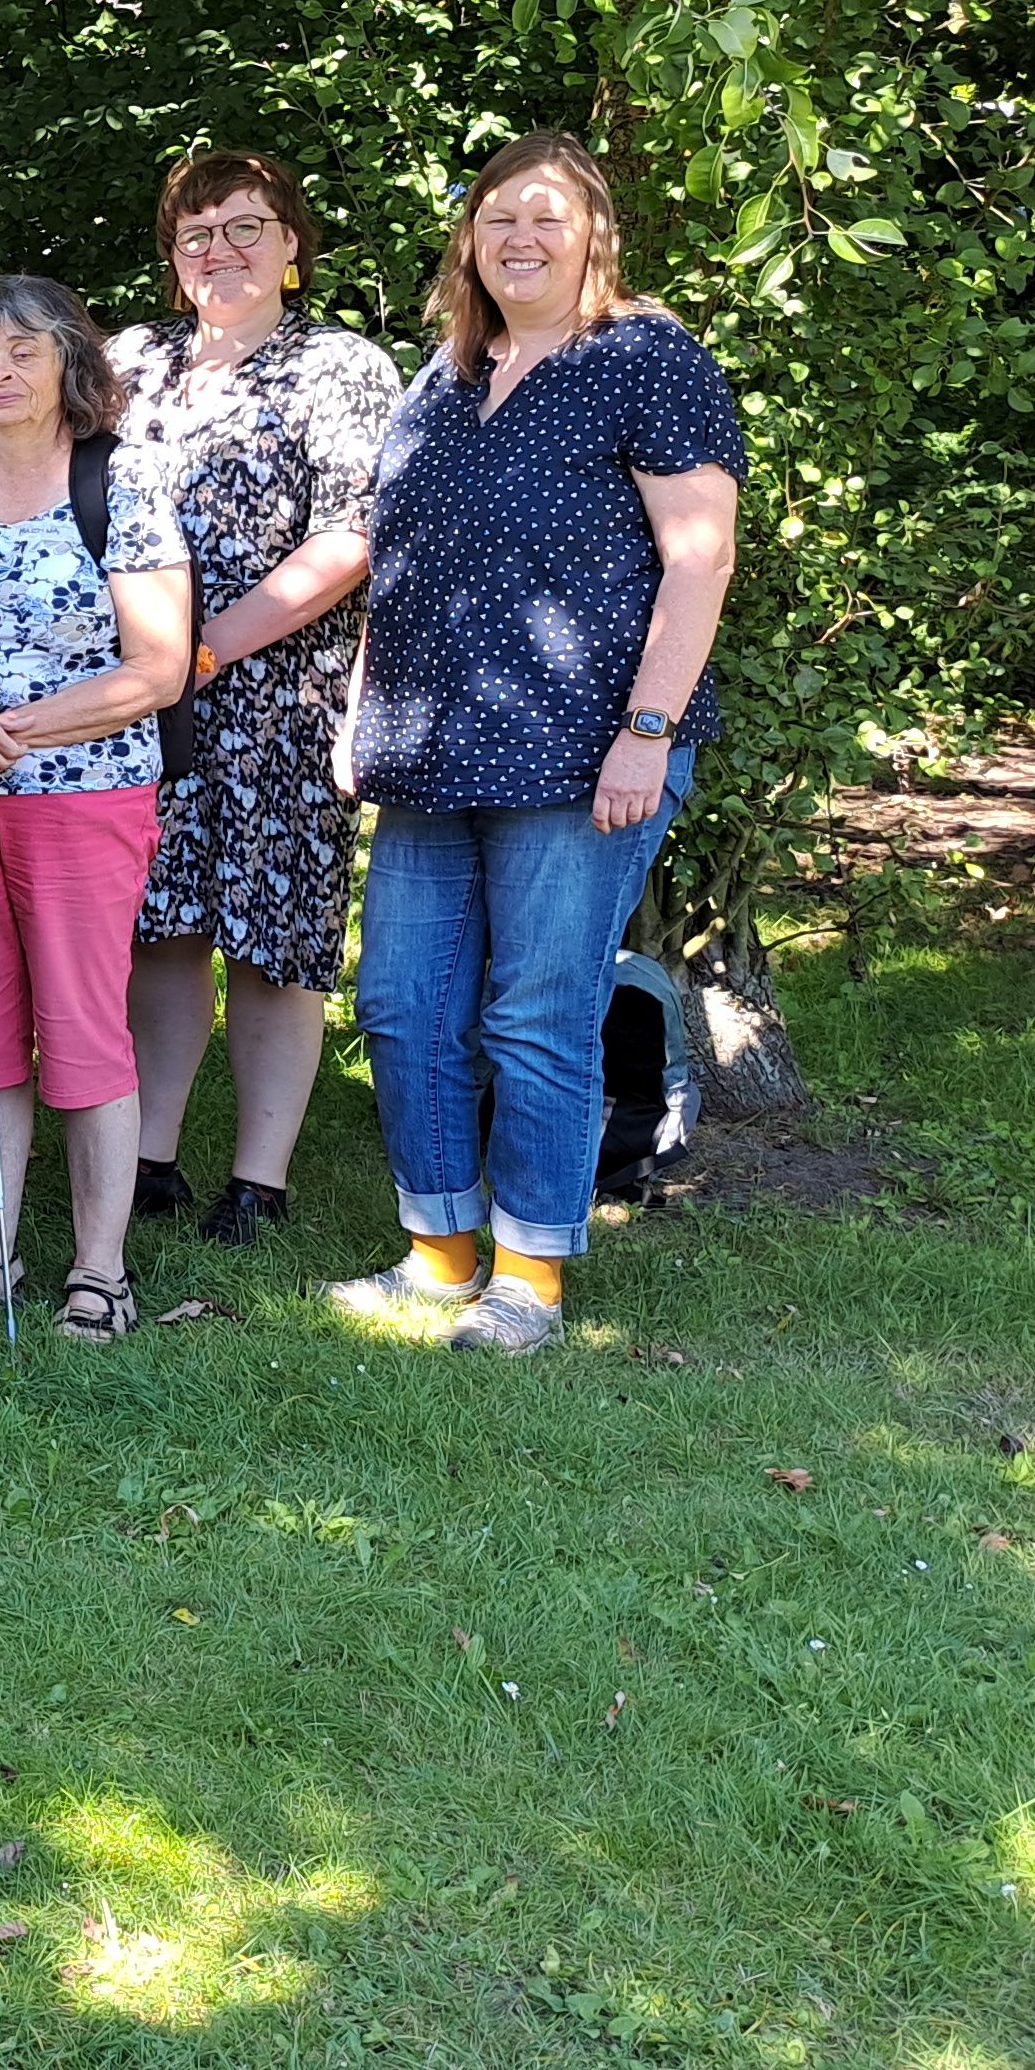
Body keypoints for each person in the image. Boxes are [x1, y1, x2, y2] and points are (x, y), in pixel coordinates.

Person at [330, 138, 741, 1355]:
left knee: (536, 1016)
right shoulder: (446, 374)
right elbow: (398, 554)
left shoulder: (645, 360)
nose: (519, 237)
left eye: (546, 216)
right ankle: (439, 1254)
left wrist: (647, 731)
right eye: (497, 216)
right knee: (401, 1007)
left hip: (581, 751)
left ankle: (530, 1279)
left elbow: (700, 557)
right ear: (469, 239)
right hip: (428, 747)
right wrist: (360, 709)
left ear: (593, 234)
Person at [0, 275, 192, 1338]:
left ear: (69, 364)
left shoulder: (123, 481)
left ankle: (101, 1273)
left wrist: (2, 732)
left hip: (83, 797)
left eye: (22, 352)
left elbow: (156, 670)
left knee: (84, 1029)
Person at [108, 153, 398, 1248]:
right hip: (147, 695)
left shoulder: (340, 365)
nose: (219, 250)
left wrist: (207, 649)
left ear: (290, 246)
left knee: (276, 937)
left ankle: (258, 1180)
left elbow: (355, 530)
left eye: (245, 227)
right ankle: (148, 1157)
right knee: (162, 924)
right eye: (196, 233)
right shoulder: (130, 362)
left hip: (281, 693)